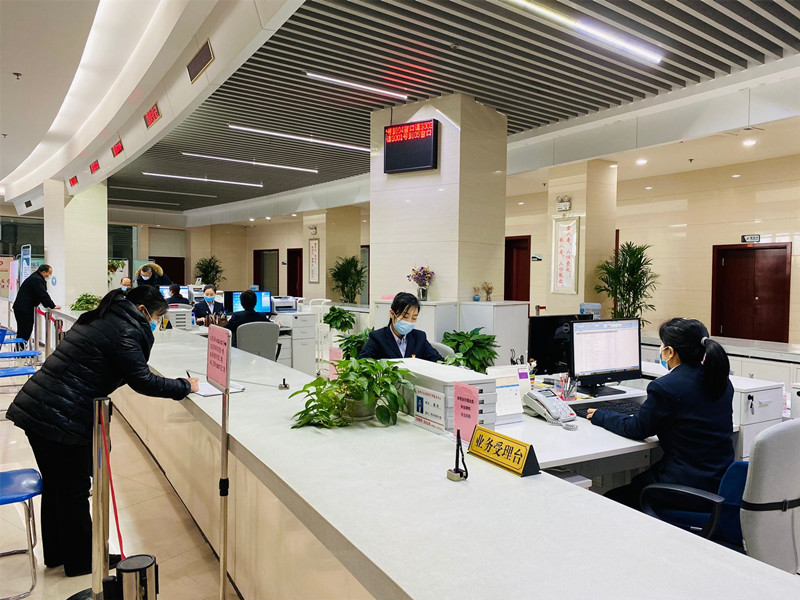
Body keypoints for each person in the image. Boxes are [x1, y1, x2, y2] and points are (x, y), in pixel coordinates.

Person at [6, 286, 199, 577]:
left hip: (41, 408)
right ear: (143, 310)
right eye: (157, 317)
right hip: (60, 416)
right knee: (73, 490)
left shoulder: (104, 318)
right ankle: (82, 560)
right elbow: (143, 380)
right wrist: (184, 386)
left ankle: (59, 554)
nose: (156, 323)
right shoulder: (124, 330)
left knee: (58, 488)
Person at [587, 318, 734, 509]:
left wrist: (600, 415)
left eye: (662, 345)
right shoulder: (721, 382)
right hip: (718, 483)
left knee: (611, 499)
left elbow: (636, 429)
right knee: (635, 484)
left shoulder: (666, 387)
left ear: (670, 352)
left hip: (683, 487)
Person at [359, 292, 443, 362]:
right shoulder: (377, 338)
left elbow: (438, 361)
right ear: (392, 314)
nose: (409, 322)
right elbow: (364, 363)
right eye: (405, 317)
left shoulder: (419, 337)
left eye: (414, 318)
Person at [13, 264, 61, 344]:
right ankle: (20, 350)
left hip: (23, 308)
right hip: (24, 309)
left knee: (23, 331)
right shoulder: (36, 279)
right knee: (25, 331)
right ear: (43, 272)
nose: (49, 275)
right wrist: (52, 305)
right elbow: (42, 294)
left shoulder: (35, 277)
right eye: (49, 273)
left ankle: (19, 349)